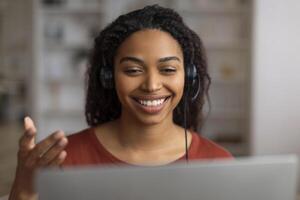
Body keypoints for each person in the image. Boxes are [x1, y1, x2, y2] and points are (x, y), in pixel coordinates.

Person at [8, 4, 232, 200]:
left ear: (189, 76)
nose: (152, 85)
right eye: (133, 70)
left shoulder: (217, 162)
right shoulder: (64, 159)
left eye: (168, 69)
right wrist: (25, 189)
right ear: (109, 77)